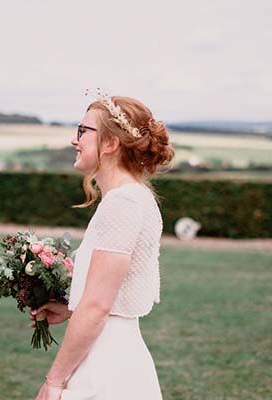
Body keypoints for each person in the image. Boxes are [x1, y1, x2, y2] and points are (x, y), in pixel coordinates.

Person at [32, 95, 174, 400]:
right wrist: (72, 308)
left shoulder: (123, 203)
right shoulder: (130, 198)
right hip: (111, 354)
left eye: (83, 131)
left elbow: (98, 306)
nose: (75, 139)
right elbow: (104, 295)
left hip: (107, 367)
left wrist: (54, 381)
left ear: (110, 144)